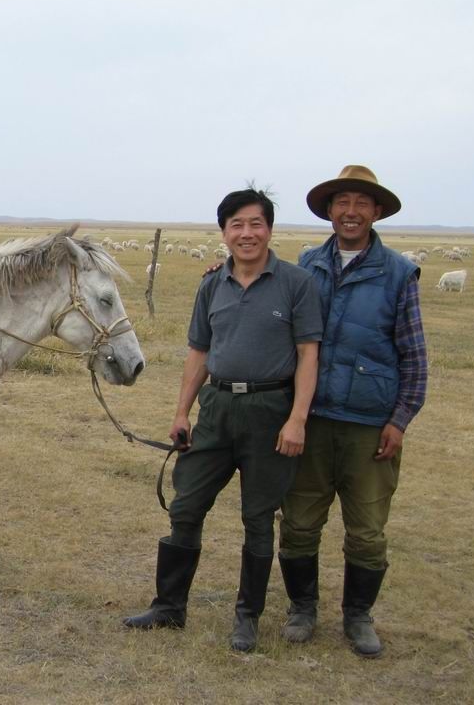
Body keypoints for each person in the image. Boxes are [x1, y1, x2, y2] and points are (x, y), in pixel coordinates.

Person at [123, 188, 322, 652]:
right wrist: (181, 412)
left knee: (257, 518)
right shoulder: (212, 284)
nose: (246, 233)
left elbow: (308, 354)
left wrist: (297, 420)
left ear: (269, 229)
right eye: (237, 225)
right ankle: (169, 607)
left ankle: (247, 618)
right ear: (224, 232)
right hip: (216, 409)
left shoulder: (296, 284)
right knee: (186, 505)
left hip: (271, 411)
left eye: (255, 223)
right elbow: (200, 351)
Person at [278, 165, 428, 658]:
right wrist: (221, 270)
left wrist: (400, 419)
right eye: (342, 201)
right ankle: (302, 608)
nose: (351, 211)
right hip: (311, 419)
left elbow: (415, 356)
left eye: (362, 203)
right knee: (299, 521)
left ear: (377, 212)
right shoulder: (306, 264)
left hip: (369, 426)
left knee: (366, 530)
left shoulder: (400, 273)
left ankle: (358, 616)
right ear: (329, 210)